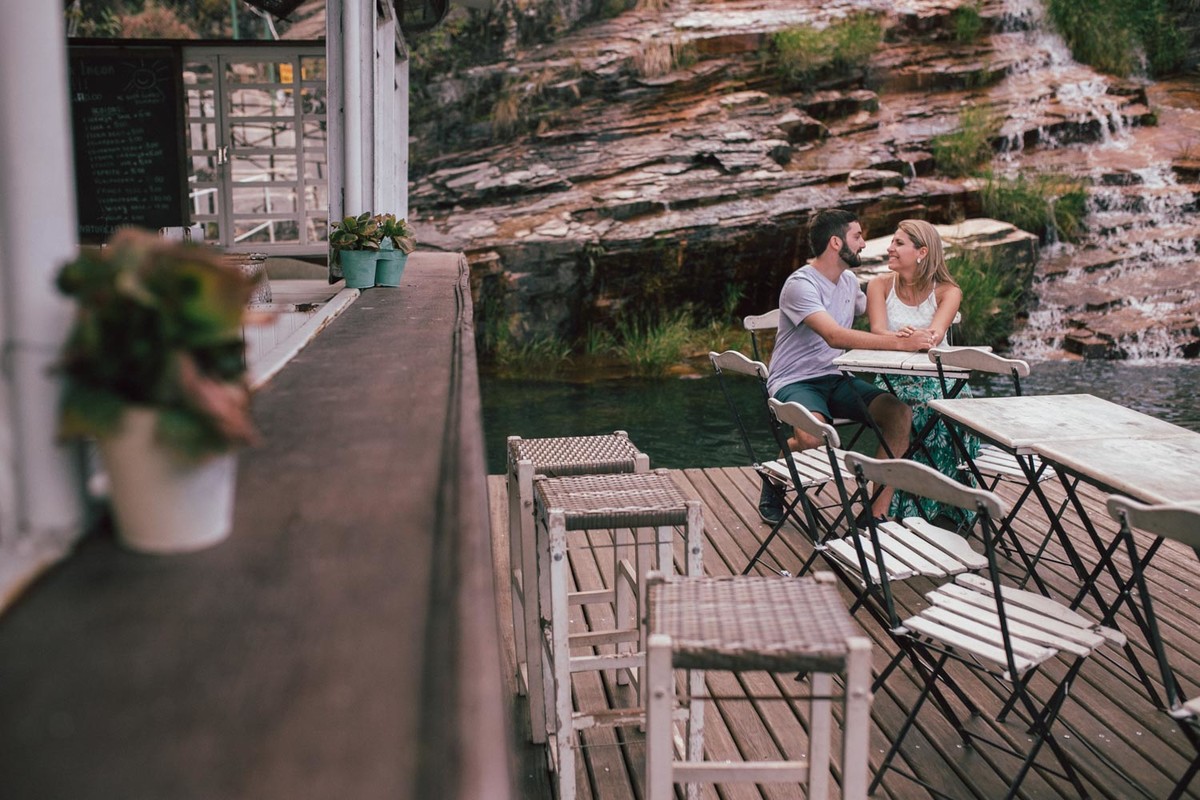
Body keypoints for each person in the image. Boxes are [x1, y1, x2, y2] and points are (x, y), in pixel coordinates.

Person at [761, 209, 934, 526]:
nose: (864, 244)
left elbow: (882, 316)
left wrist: (917, 288)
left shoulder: (849, 281)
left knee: (900, 414)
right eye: (858, 236)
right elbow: (835, 336)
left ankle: (875, 513)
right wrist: (900, 344)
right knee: (814, 439)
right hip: (795, 380)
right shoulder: (800, 284)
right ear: (835, 242)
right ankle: (775, 476)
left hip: (838, 379)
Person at [865, 218, 980, 528]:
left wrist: (911, 337)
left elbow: (934, 335)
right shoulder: (879, 285)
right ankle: (894, 510)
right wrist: (903, 340)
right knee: (910, 413)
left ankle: (944, 510)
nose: (889, 248)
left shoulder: (948, 291)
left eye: (898, 243)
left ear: (922, 252)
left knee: (943, 414)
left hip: (939, 381)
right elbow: (877, 333)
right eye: (892, 241)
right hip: (891, 378)